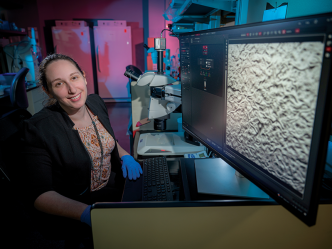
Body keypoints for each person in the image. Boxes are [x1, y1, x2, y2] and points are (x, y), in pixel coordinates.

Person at [20, 53, 142, 246]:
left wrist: (126, 156)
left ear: (84, 77)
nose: (71, 89)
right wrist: (88, 213)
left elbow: (107, 139)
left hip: (115, 190)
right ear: (48, 91)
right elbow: (40, 195)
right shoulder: (39, 128)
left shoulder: (95, 102)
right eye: (59, 84)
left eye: (74, 78)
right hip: (79, 207)